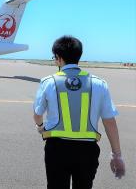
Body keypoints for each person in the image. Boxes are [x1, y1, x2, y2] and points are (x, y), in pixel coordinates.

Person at [33, 36, 125, 189]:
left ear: (58, 58)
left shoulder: (48, 82)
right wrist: (117, 155)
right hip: (87, 150)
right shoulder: (99, 83)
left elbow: (37, 114)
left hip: (57, 149)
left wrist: (40, 126)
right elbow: (109, 121)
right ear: (78, 56)